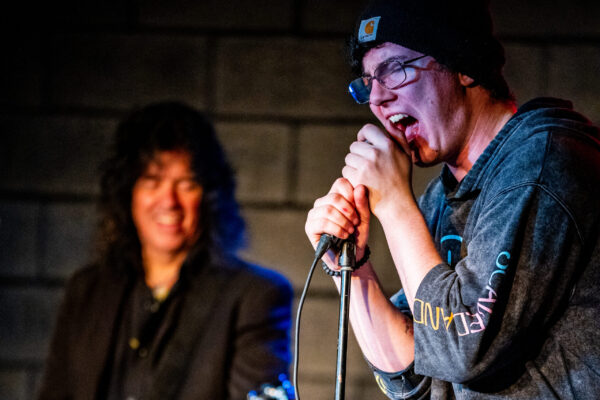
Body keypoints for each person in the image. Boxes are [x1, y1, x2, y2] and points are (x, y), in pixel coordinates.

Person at [305, 0, 600, 398]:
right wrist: (352, 270)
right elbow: (415, 381)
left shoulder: (544, 163)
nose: (377, 99)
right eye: (367, 82)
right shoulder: (440, 200)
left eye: (394, 69)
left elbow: (462, 350)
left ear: (462, 65)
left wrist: (393, 204)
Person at [38, 101, 293, 400]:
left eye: (186, 184)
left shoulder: (254, 296)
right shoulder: (86, 290)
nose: (168, 201)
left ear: (209, 196)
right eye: (152, 181)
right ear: (127, 192)